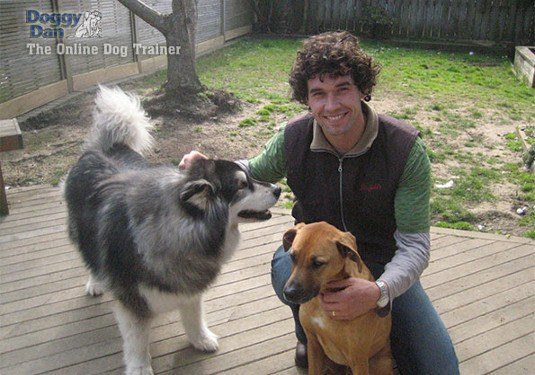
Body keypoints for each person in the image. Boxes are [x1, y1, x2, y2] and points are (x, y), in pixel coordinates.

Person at [180, 31, 459, 374]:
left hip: (385, 265)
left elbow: (415, 245)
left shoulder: (403, 150)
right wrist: (208, 166)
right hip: (316, 254)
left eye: (342, 88)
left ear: (362, 89)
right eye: (318, 94)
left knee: (439, 368)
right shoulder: (293, 139)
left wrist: (379, 291)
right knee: (289, 270)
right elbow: (250, 168)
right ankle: (310, 331)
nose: (331, 106)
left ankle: (370, 333)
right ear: (306, 100)